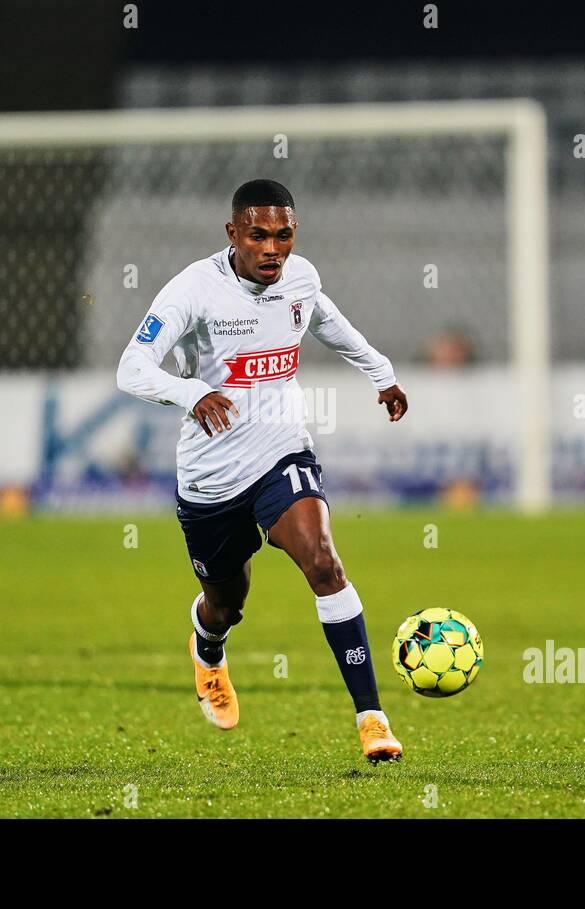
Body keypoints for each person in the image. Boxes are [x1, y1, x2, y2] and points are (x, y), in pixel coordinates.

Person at [116, 179, 410, 761]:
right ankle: (208, 646)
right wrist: (192, 392)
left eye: (284, 235)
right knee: (227, 602)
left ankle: (372, 719)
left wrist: (382, 372)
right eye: (258, 236)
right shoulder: (192, 291)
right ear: (233, 234)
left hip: (281, 452)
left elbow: (326, 321)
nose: (273, 249)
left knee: (324, 562)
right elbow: (131, 367)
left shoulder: (300, 277)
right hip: (211, 472)